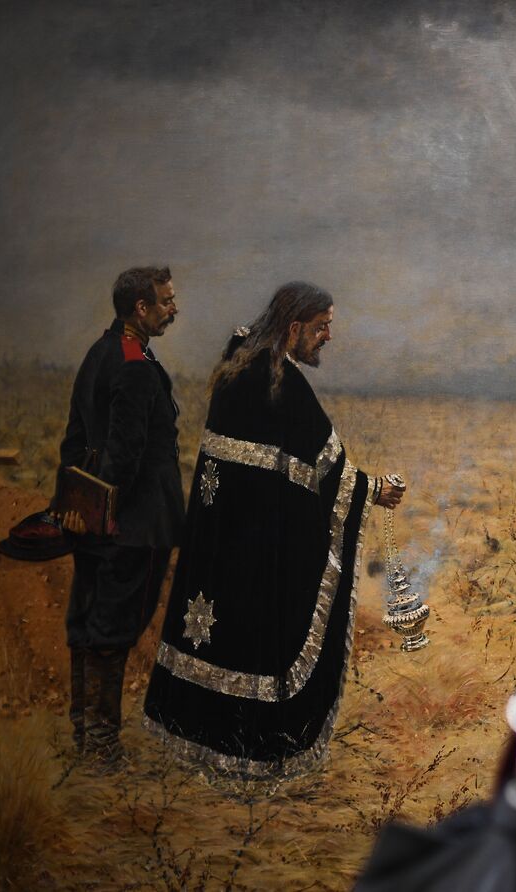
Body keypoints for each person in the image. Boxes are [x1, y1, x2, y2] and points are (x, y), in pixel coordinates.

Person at [142, 281, 404, 781]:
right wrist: (375, 490)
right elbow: (329, 469)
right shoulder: (281, 384)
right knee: (255, 636)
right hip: (255, 545)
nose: (327, 336)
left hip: (223, 540)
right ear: (294, 328)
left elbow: (300, 466)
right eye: (322, 327)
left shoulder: (240, 361)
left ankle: (197, 735)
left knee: (216, 635)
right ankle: (247, 748)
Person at [58, 265, 183, 769]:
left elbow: (71, 441)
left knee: (88, 620)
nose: (174, 308)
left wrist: (78, 507)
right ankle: (102, 747)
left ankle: (85, 736)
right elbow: (127, 456)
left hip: (89, 515)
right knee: (112, 628)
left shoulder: (98, 353)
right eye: (167, 302)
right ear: (141, 309)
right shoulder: (133, 362)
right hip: (132, 524)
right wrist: (113, 511)